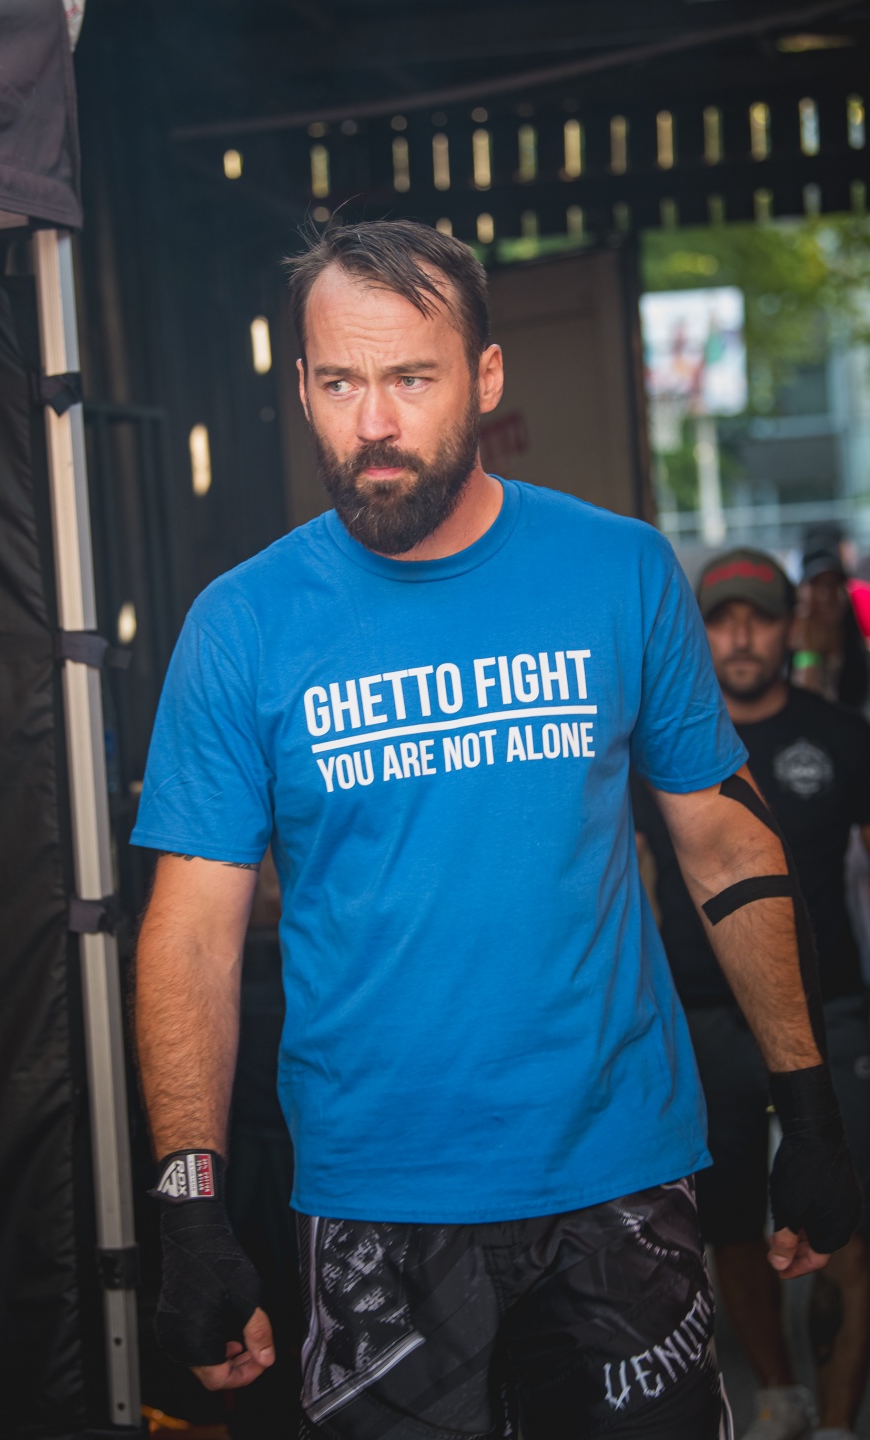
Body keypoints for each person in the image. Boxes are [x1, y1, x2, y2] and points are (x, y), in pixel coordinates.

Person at [131, 220, 860, 1440]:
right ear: (300, 386)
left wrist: (812, 1109)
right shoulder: (241, 625)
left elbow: (727, 848)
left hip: (619, 1175)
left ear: (485, 378)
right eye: (339, 383)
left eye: (410, 379)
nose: (372, 423)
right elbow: (192, 934)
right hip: (377, 1201)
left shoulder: (620, 572)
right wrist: (189, 1208)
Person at [633, 546, 870, 1440]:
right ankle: (779, 1395)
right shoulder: (653, 751)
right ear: (699, 631)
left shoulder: (841, 737)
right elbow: (632, 877)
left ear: (788, 627)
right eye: (722, 618)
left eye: (759, 617)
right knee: (729, 1228)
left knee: (844, 1225)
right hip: (702, 1019)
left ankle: (839, 1424)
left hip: (831, 1011)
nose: (739, 636)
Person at [791, 525, 869, 711]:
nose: (826, 595)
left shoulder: (855, 647)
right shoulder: (784, 649)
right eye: (817, 585)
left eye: (833, 585)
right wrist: (809, 653)